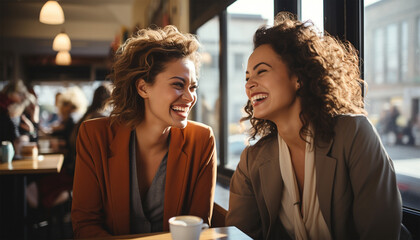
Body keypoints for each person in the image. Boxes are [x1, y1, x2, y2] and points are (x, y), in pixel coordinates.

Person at [226, 12, 402, 240]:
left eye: (261, 71)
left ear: (298, 77)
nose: (250, 84)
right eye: (247, 77)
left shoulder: (354, 135)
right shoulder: (252, 161)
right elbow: (240, 234)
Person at [71, 25, 217, 238]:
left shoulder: (202, 140)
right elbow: (85, 225)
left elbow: (198, 225)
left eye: (193, 87)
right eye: (178, 85)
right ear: (142, 88)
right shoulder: (95, 136)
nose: (190, 97)